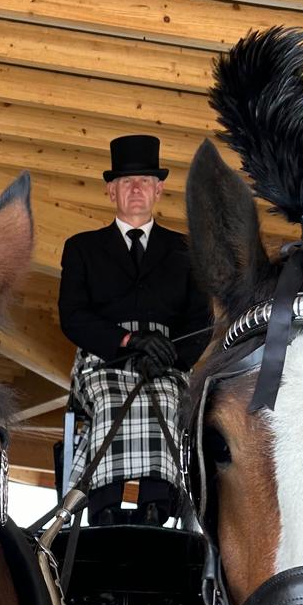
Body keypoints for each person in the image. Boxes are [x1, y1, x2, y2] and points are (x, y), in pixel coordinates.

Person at [58, 134, 211, 525]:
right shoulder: (82, 248)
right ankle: (104, 505)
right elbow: (73, 315)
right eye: (128, 182)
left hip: (167, 361)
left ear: (159, 189)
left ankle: (157, 506)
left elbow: (200, 321)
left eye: (145, 181)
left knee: (165, 399)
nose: (137, 189)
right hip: (104, 357)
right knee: (112, 399)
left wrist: (171, 357)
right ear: (112, 191)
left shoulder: (187, 250)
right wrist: (126, 341)